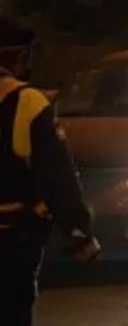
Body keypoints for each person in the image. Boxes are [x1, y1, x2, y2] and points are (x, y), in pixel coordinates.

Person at [0, 22, 100, 325]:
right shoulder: (26, 102)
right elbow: (57, 175)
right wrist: (78, 233)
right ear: (20, 58)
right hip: (10, 238)